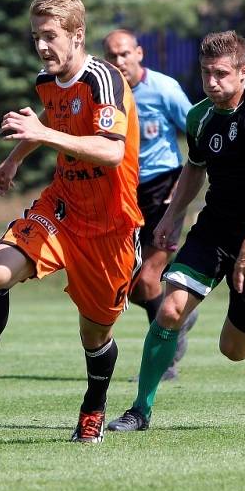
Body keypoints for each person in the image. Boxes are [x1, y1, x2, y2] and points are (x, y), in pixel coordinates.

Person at [0, 0, 143, 444]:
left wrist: (42, 133)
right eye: (36, 37)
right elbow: (51, 114)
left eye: (50, 37)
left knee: (94, 336)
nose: (42, 47)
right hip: (61, 208)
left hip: (111, 228)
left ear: (77, 35)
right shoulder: (48, 79)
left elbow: (110, 150)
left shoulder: (104, 81)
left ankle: (93, 408)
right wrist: (16, 159)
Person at [108, 30, 245, 432]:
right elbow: (194, 167)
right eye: (206, 73)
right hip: (214, 227)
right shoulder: (200, 116)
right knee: (170, 309)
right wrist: (171, 216)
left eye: (221, 74)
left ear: (243, 73)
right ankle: (140, 410)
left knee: (233, 350)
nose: (212, 82)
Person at [103, 29, 197, 381]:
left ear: (139, 53)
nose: (120, 61)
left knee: (147, 280)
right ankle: (181, 314)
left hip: (165, 193)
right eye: (112, 56)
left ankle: (165, 360)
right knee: (121, 283)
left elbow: (198, 133)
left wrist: (186, 187)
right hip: (124, 195)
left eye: (125, 53)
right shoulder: (106, 96)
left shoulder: (164, 89)